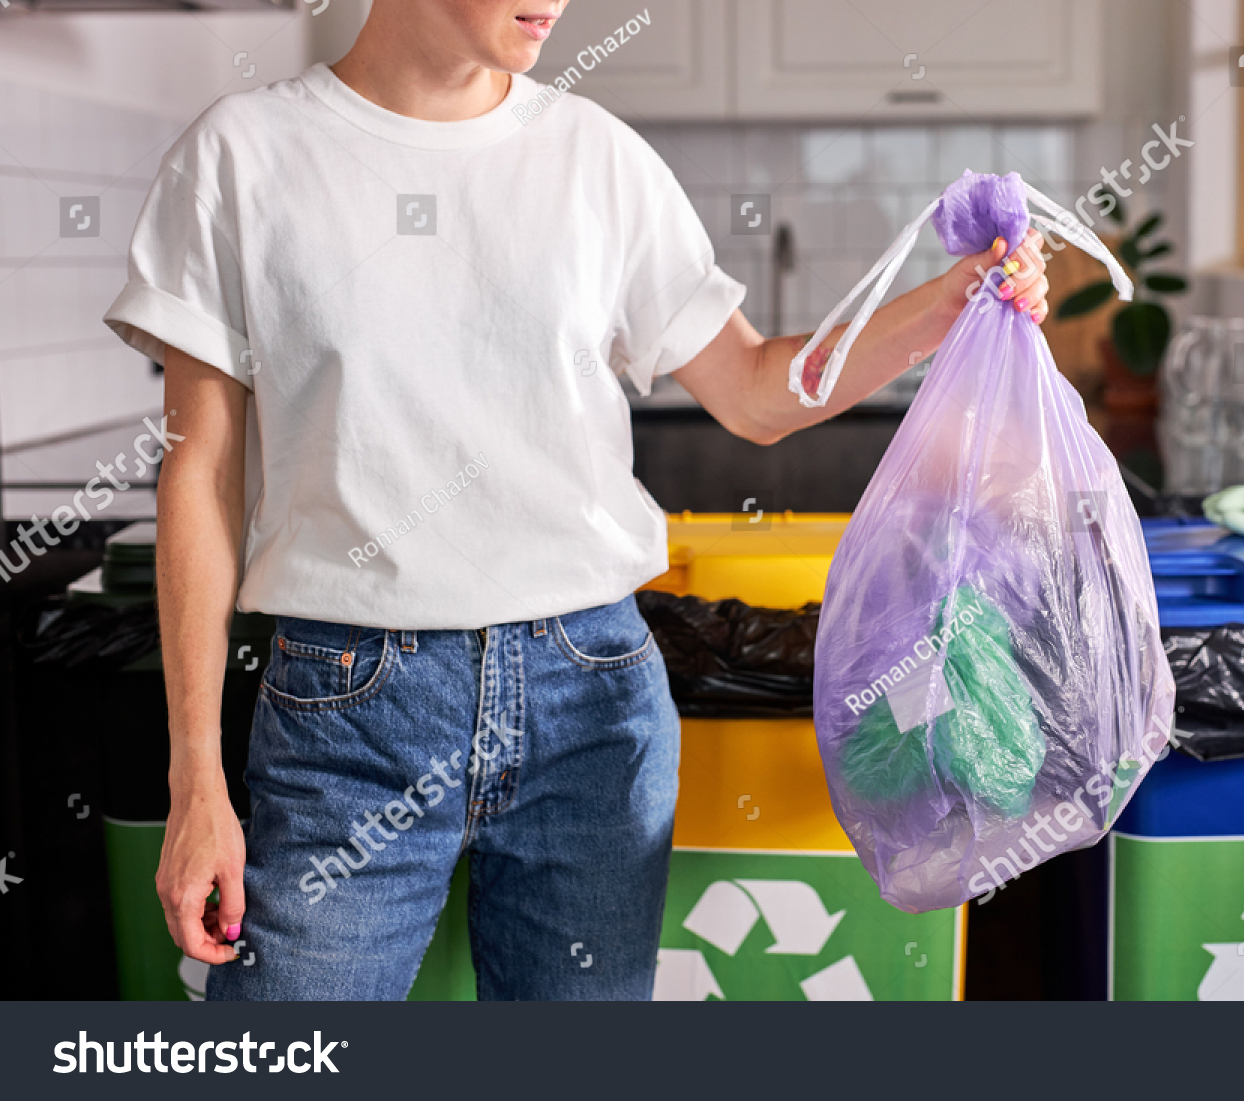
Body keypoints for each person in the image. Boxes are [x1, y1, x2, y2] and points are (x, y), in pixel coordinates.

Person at [103, 0, 1051, 1001]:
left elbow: (760, 392)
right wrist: (194, 776)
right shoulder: (242, 157)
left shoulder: (598, 159)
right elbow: (199, 472)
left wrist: (944, 307)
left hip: (591, 700)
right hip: (349, 718)